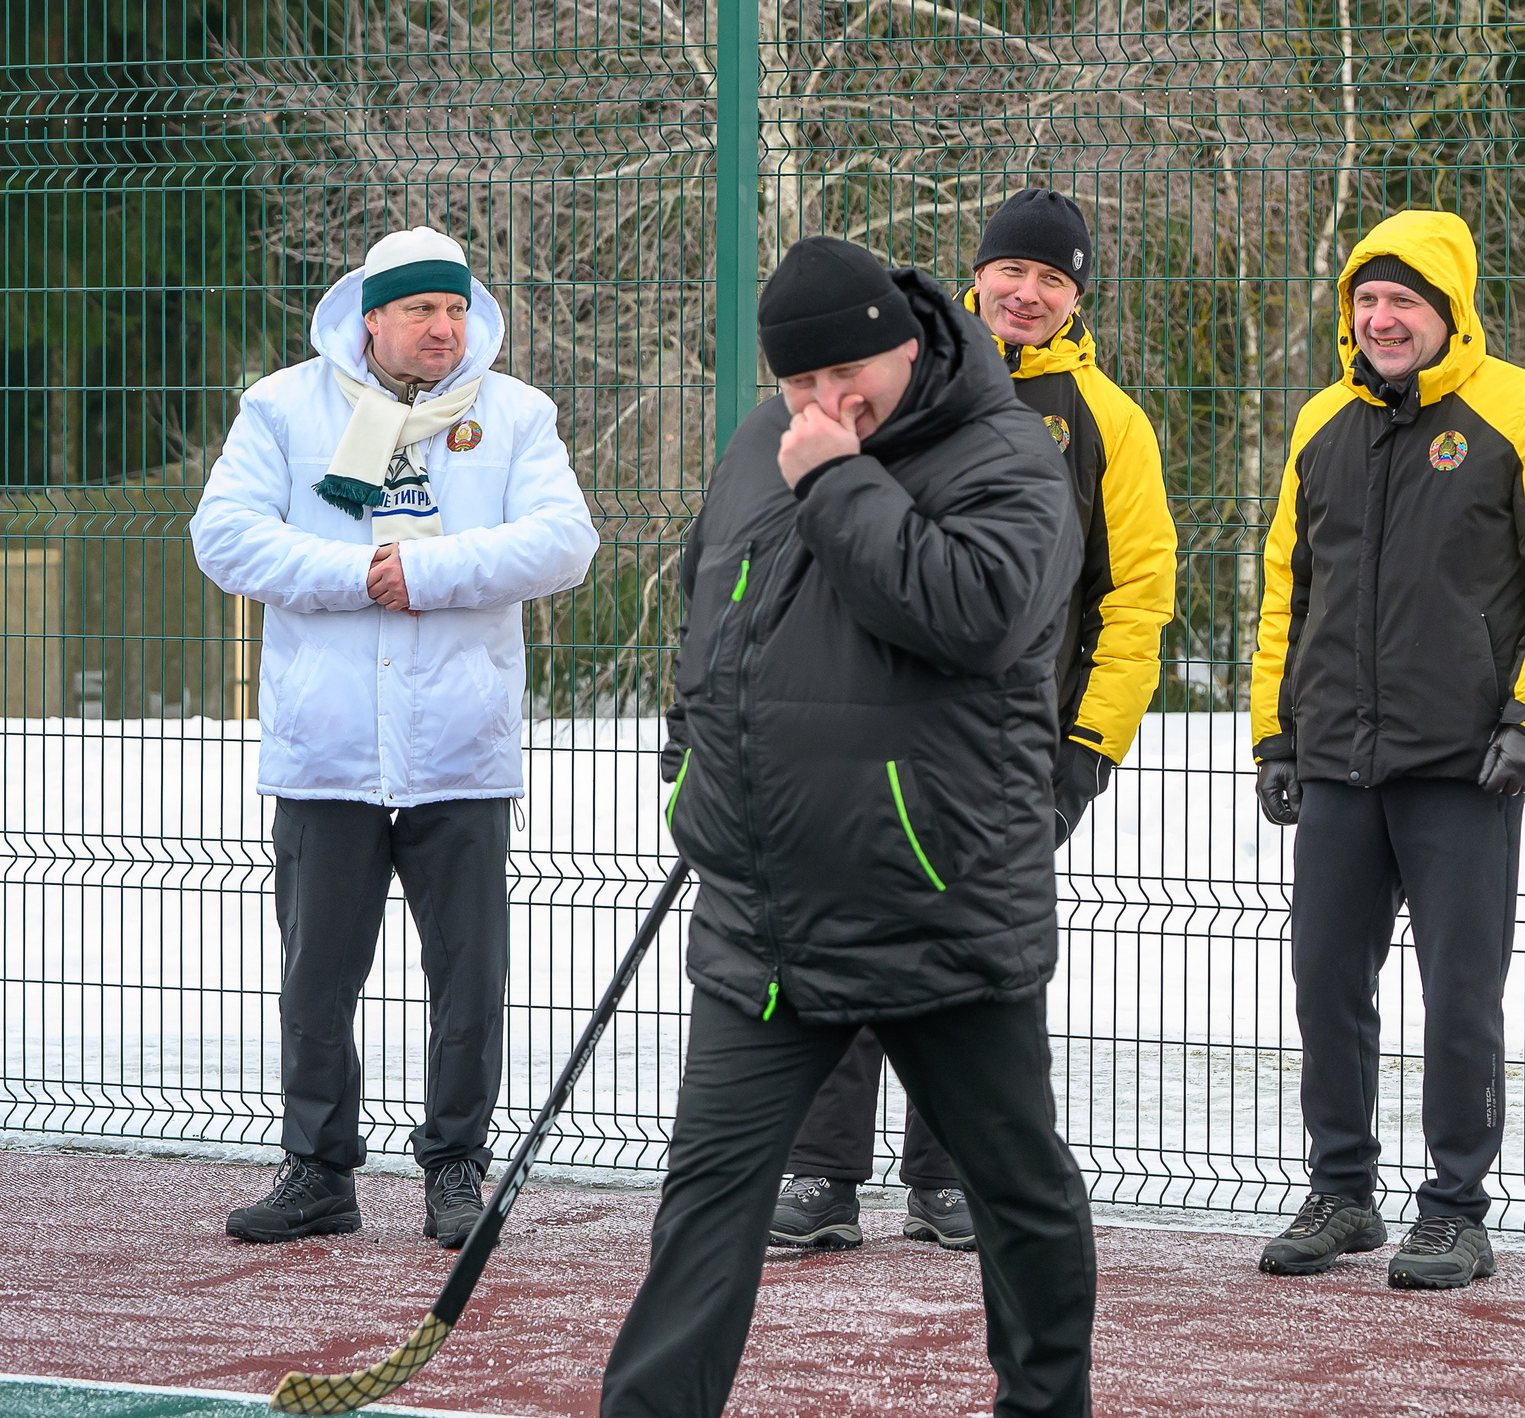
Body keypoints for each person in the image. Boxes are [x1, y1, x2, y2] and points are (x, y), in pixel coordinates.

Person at [602, 236, 1093, 1418]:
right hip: (766, 916)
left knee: (1019, 1194)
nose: (823, 408)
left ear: (910, 345)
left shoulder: (1008, 453)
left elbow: (971, 612)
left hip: (941, 906)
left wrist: (835, 478)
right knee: (706, 1202)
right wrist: (696, 785)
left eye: (846, 381)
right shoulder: (752, 450)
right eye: (797, 390)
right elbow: (707, 629)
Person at [769, 188, 1176, 1256]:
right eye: (1013, 272)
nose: (1027, 294)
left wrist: (1083, 751)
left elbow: (1135, 597)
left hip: (1004, 749)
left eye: (1053, 279)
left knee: (973, 959)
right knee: (842, 934)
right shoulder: (889, 389)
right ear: (977, 276)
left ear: (1078, 298)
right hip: (860, 728)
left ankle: (951, 1178)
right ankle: (818, 1173)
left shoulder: (1110, 423)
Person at [190, 225, 598, 1248]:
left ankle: (455, 1169)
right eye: (421, 311)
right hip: (326, 753)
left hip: (459, 752)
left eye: (456, 310)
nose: (442, 329)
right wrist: (354, 574)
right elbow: (225, 535)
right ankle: (317, 1171)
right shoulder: (283, 409)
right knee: (316, 977)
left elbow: (564, 542)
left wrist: (425, 571)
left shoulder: (513, 415)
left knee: (470, 976)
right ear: (371, 317)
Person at [1248, 209, 1525, 1290]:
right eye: (1366, 301)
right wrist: (1275, 732)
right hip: (1336, 764)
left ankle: (1455, 1208)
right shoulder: (1324, 421)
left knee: (1459, 994)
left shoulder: (1523, 414)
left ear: (1449, 309)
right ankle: (1342, 1194)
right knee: (1325, 982)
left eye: (1402, 301)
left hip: (1465, 763)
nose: (1381, 319)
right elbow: (1288, 585)